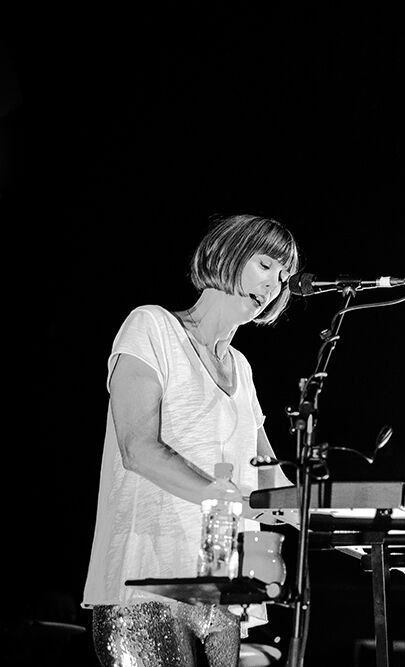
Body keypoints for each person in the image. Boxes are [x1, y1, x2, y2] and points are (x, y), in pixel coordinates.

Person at [82, 214, 300, 667]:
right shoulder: (152, 328)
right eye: (265, 265)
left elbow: (267, 476)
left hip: (223, 591)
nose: (273, 285)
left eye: (283, 277)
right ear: (230, 253)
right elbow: (138, 449)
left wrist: (349, 515)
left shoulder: (242, 368)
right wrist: (227, 500)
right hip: (146, 584)